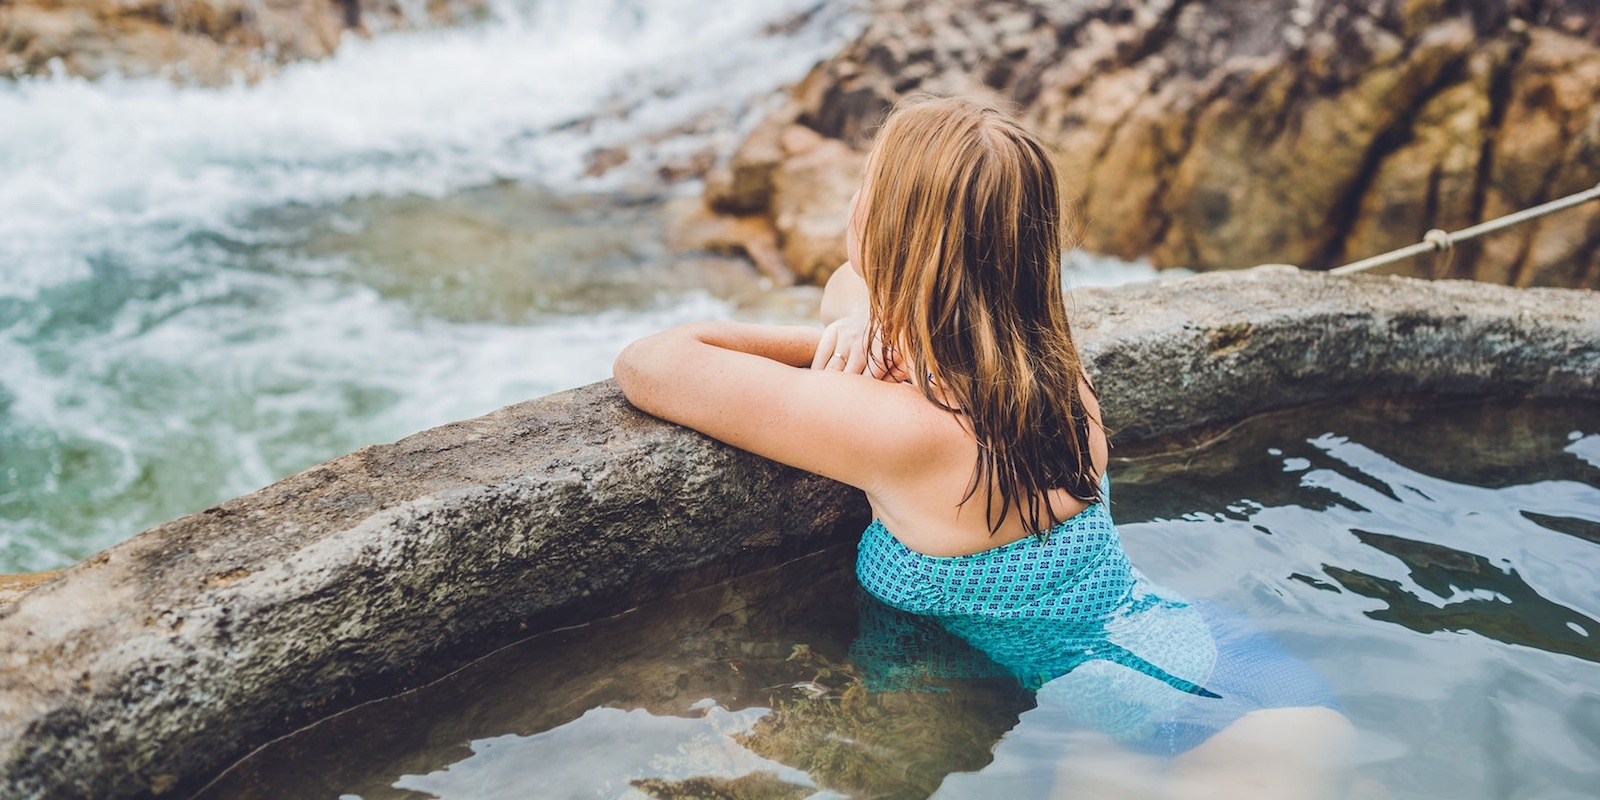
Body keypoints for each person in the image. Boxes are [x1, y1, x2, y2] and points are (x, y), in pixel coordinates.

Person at [614, 95, 1356, 799]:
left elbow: (650, 364)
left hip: (1205, 726)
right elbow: (852, 284)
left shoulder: (904, 431)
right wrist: (873, 327)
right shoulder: (1058, 374)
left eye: (865, 185)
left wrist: (825, 345)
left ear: (881, 225)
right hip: (1233, 678)